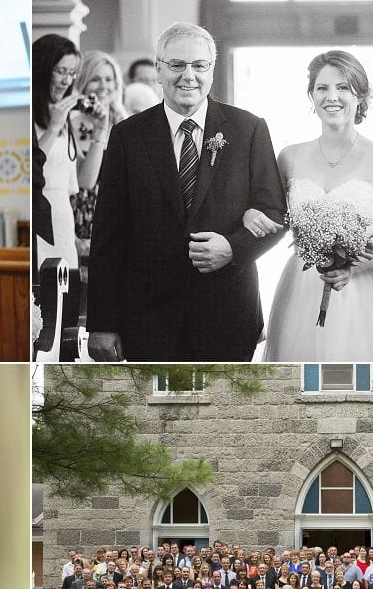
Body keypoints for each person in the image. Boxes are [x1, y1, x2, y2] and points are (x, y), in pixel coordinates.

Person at [87, 21, 286, 361]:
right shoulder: (128, 136)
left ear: (211, 69)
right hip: (148, 317)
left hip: (227, 313)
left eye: (199, 65)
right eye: (177, 65)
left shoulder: (248, 129)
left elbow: (274, 214)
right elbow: (108, 235)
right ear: (159, 70)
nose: (188, 76)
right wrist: (102, 323)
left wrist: (232, 248)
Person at [262, 50, 373, 361]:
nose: (332, 96)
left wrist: (353, 268)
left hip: (363, 290)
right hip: (301, 287)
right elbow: (274, 220)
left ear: (361, 95)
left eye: (343, 87)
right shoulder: (289, 157)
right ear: (312, 96)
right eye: (322, 88)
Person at [31, 34, 83, 272]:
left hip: (62, 217)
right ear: (43, 70)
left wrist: (99, 133)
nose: (66, 81)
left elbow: (81, 182)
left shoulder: (64, 116)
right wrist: (53, 127)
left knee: (66, 297)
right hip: (40, 216)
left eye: (72, 73)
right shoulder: (34, 116)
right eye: (61, 71)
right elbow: (31, 166)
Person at [70, 51, 126, 263]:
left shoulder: (127, 122)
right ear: (83, 83)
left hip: (120, 217)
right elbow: (84, 181)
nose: (104, 86)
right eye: (96, 79)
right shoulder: (72, 125)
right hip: (86, 217)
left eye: (109, 79)